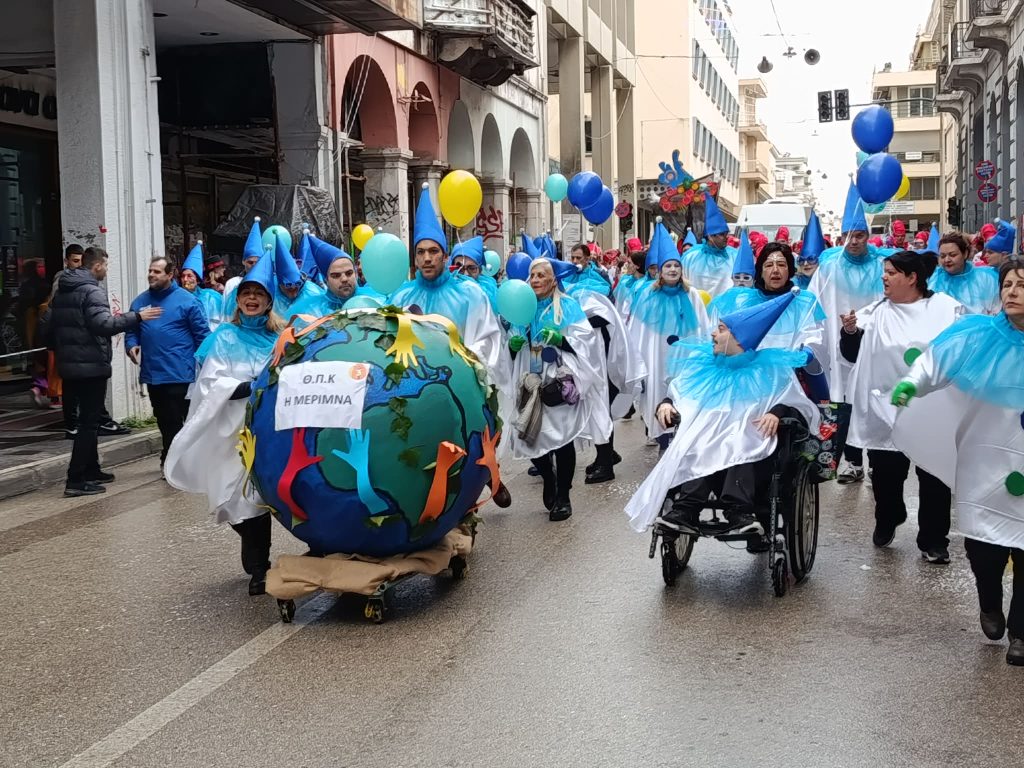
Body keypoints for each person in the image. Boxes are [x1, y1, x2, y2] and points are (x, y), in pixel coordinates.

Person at [891, 260, 1024, 665]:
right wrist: (912, 383)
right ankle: (989, 602)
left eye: (1022, 285)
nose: (1012, 291)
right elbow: (935, 363)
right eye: (1007, 284)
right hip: (982, 457)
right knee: (985, 549)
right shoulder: (977, 335)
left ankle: (1021, 633)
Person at [625, 289, 819, 536]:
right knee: (695, 442)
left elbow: (794, 401)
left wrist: (776, 413)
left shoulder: (770, 369)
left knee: (737, 443)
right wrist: (665, 404)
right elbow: (678, 392)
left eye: (721, 329)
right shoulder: (704, 365)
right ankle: (685, 510)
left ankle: (740, 512)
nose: (713, 333)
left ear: (739, 338)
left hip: (749, 446)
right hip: (705, 438)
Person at [164, 252, 284, 596]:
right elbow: (208, 385)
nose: (251, 299)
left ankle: (259, 569)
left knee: (259, 499)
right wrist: (246, 386)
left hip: (269, 430)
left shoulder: (280, 337)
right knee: (235, 503)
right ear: (237, 299)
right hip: (231, 433)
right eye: (246, 293)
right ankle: (259, 561)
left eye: (258, 294)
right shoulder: (223, 338)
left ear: (268, 301)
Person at [839, 250, 962, 562]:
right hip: (885, 408)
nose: (884, 277)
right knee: (886, 477)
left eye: (892, 272)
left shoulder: (945, 309)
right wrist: (850, 331)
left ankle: (934, 541)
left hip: (933, 408)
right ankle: (888, 517)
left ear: (912, 278)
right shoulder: (876, 312)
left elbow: (963, 348)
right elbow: (851, 354)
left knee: (934, 477)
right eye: (884, 271)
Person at [45, 247, 162, 496]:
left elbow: (47, 325)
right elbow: (103, 325)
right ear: (97, 266)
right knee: (89, 424)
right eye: (106, 266)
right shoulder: (92, 291)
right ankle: (75, 479)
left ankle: (91, 469)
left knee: (87, 420)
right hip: (90, 366)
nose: (106, 271)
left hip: (70, 364)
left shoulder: (62, 288)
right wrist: (137, 317)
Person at [507, 258, 610, 521]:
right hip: (530, 382)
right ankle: (548, 477)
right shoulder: (522, 307)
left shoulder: (568, 305)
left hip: (559, 382)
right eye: (532, 275)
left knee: (562, 440)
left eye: (542, 275)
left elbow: (586, 342)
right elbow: (506, 342)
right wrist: (512, 346)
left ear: (553, 280)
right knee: (528, 436)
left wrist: (561, 339)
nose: (536, 280)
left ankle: (563, 496)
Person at [809, 181, 886, 484]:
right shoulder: (830, 264)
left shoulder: (882, 264)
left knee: (875, 399)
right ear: (841, 236)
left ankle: (878, 457)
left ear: (868, 236)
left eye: (859, 235)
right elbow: (816, 301)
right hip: (839, 341)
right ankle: (853, 461)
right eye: (848, 235)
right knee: (846, 400)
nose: (853, 241)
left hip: (874, 341)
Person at [391, 184, 507, 380]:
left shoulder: (470, 294)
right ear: (415, 259)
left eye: (433, 251)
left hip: (458, 388)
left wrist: (462, 364)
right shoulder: (400, 297)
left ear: (445, 257)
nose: (427, 258)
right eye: (421, 252)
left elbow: (488, 342)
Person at [630, 218, 710, 452]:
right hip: (657, 360)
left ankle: (682, 446)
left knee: (684, 398)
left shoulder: (692, 294)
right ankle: (664, 446)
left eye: (676, 265)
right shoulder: (647, 295)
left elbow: (702, 328)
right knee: (658, 398)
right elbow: (638, 333)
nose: (673, 269)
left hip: (685, 358)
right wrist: (639, 368)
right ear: (660, 271)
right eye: (668, 266)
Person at [126, 256, 210, 467]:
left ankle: (173, 461)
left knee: (177, 419)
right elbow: (131, 330)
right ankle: (174, 458)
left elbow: (203, 336)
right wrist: (131, 345)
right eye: (150, 271)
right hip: (153, 373)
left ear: (170, 275)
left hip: (180, 372)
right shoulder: (140, 302)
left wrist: (207, 367)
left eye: (157, 271)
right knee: (163, 419)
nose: (151, 275)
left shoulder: (188, 301)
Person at [679, 195, 737, 298]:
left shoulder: (734, 256)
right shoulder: (691, 257)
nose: (726, 237)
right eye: (722, 234)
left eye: (727, 233)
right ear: (710, 236)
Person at [930, 232, 1000, 315]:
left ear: (965, 253)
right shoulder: (933, 278)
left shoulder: (986, 278)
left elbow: (996, 310)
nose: (947, 260)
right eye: (942, 256)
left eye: (952, 255)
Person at [271, 231, 324, 317]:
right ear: (279, 283)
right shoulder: (270, 292)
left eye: (297, 283)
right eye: (287, 284)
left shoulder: (312, 292)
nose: (293, 287)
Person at [222, 217, 266, 315]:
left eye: (257, 263)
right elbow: (225, 312)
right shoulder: (232, 284)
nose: (254, 266)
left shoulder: (267, 284)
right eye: (250, 262)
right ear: (243, 261)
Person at [179, 241, 224, 328]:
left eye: (189, 276)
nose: (185, 280)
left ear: (197, 279)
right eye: (183, 276)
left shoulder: (211, 296)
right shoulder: (176, 297)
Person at [451, 236, 499, 310]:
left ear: (480, 270)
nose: (466, 274)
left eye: (472, 268)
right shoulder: (444, 292)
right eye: (459, 268)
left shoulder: (489, 292)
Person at [795, 211, 826, 290]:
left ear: (821, 260)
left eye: (811, 259)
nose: (805, 264)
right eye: (801, 260)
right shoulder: (793, 285)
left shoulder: (830, 283)